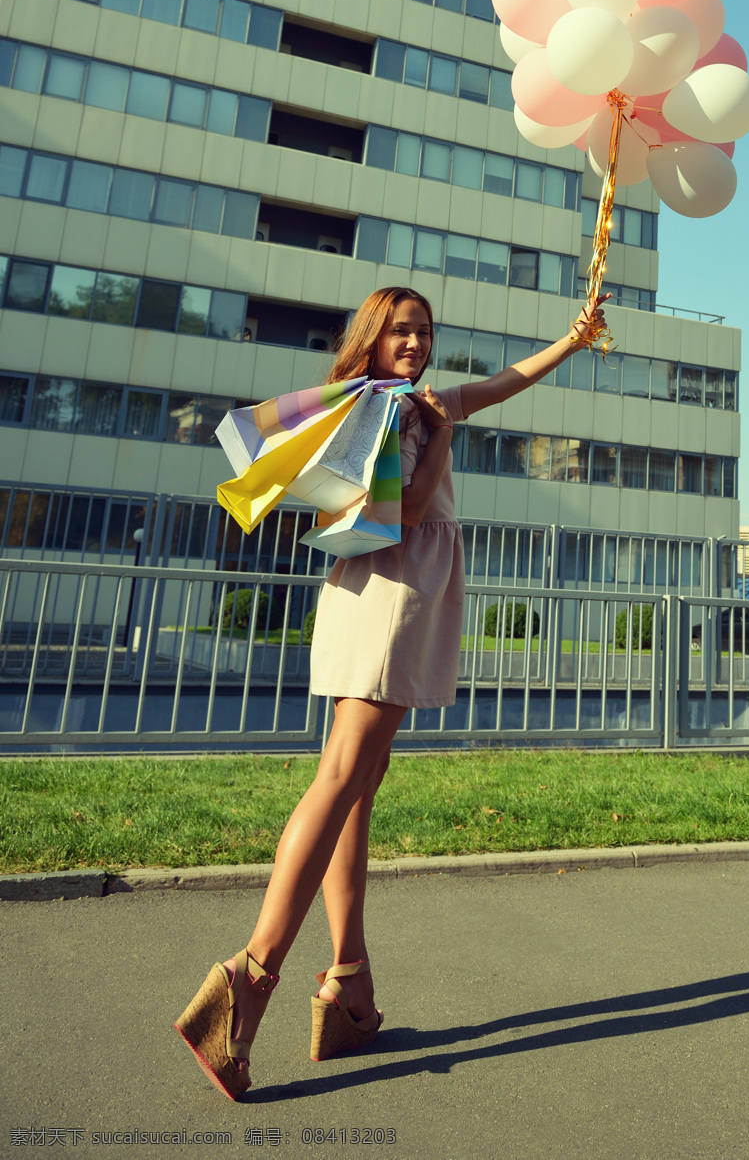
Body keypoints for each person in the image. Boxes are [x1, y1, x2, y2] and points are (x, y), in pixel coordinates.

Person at [174, 281, 608, 1100]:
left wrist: (573, 340)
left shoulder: (402, 399)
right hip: (395, 596)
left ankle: (348, 981)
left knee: (355, 791)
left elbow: (506, 381)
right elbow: (405, 513)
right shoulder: (401, 412)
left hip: (362, 598)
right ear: (372, 338)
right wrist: (441, 433)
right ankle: (251, 974)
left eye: (425, 330)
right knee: (341, 781)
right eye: (400, 331)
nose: (415, 342)